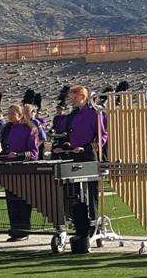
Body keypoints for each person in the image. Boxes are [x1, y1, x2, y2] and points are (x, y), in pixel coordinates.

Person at [60, 85, 107, 253]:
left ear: (82, 96)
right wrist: (66, 145)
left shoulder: (94, 112)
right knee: (76, 194)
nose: (71, 99)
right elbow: (68, 134)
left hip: (89, 154)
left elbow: (102, 134)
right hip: (74, 154)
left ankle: (96, 227)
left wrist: (91, 147)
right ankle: (81, 228)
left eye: (74, 96)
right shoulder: (72, 115)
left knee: (92, 193)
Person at [1, 104, 41, 242]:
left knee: (23, 201)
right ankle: (15, 229)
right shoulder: (7, 128)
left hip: (24, 170)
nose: (10, 115)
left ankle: (23, 230)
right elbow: (5, 148)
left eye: (13, 113)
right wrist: (1, 155)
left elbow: (34, 153)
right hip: (9, 169)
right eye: (9, 113)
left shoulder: (30, 128)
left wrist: (18, 155)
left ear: (20, 114)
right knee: (11, 201)